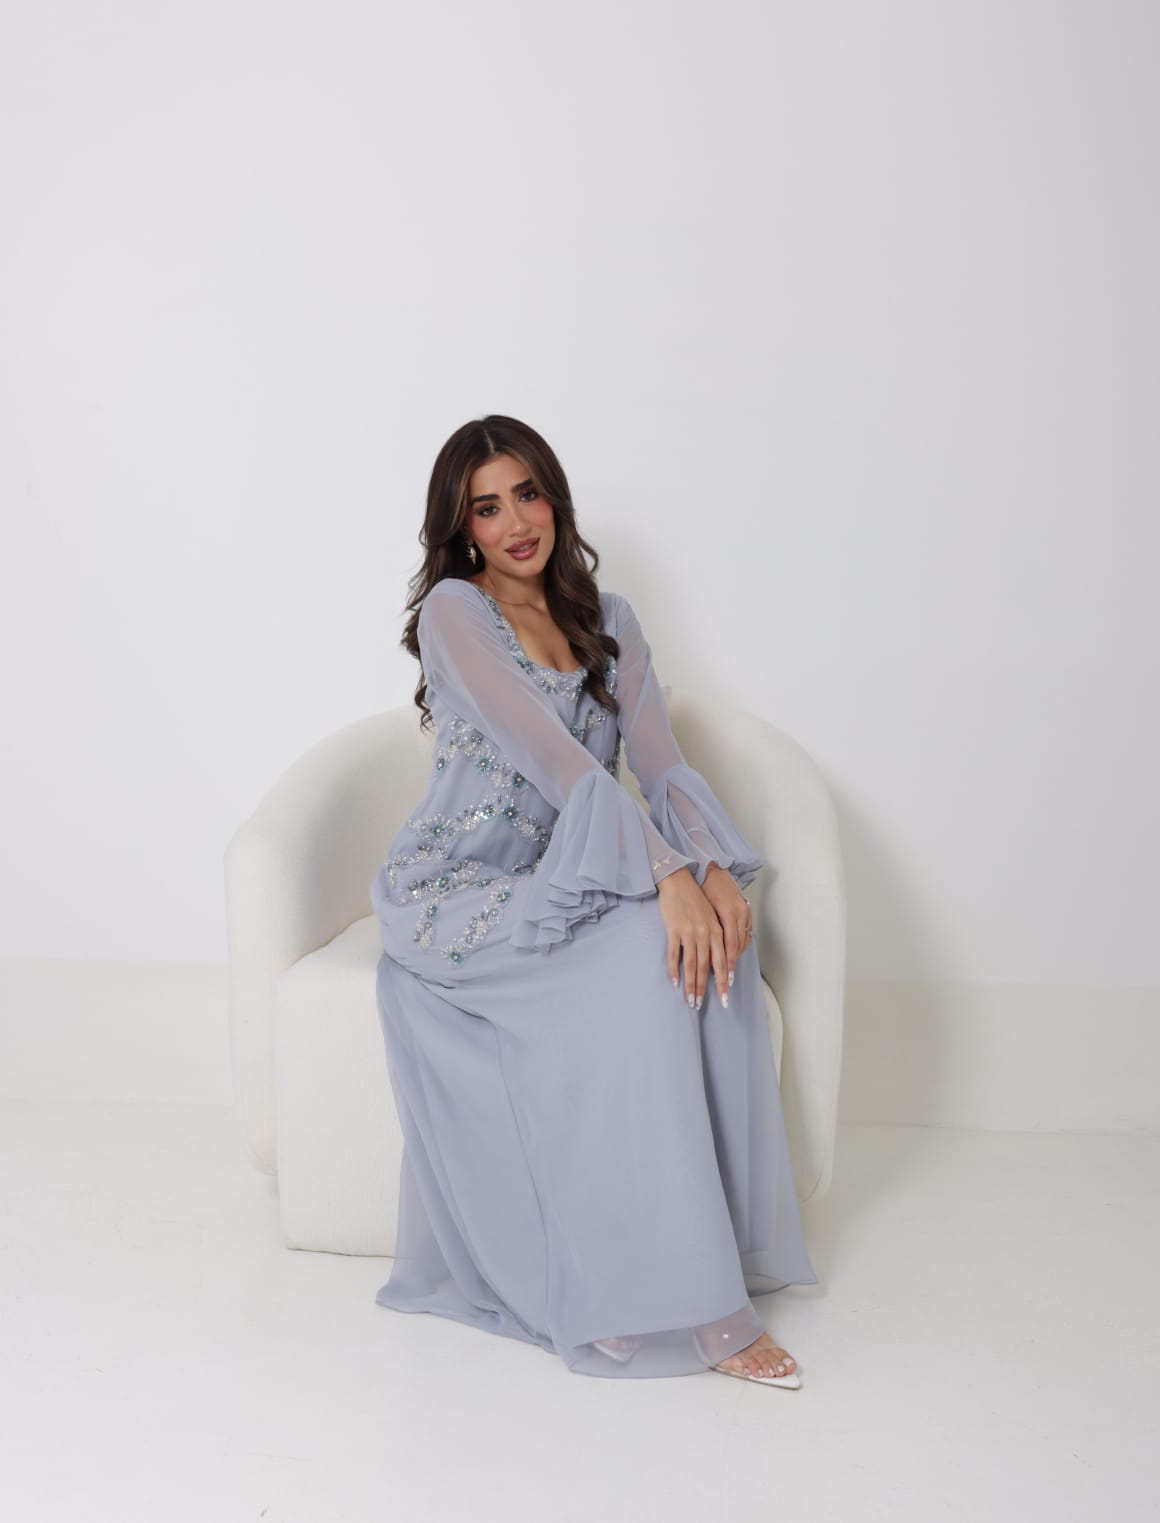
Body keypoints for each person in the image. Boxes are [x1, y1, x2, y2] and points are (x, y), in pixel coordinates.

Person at [369, 414, 817, 1382]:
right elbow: (557, 761)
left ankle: (678, 1265)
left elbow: (657, 761)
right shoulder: (456, 610)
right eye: (486, 508)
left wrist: (706, 868)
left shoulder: (609, 618)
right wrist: (664, 875)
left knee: (714, 939)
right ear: (462, 528)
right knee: (646, 956)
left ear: (554, 497)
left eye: (527, 494)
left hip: (559, 876)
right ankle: (702, 1311)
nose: (515, 523)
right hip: (453, 891)